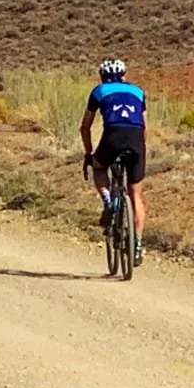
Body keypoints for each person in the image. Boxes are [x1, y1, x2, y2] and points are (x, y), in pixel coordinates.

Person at [80, 58, 148, 266]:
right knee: (136, 194)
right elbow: (145, 125)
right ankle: (137, 244)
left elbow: (85, 127)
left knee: (99, 167)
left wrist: (89, 153)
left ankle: (109, 202)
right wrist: (140, 150)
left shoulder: (98, 91)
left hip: (112, 137)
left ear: (102, 76)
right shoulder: (138, 91)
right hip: (136, 140)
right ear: (124, 75)